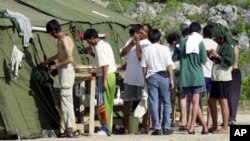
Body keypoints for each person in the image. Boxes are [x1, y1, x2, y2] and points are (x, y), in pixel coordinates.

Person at [43, 19, 78, 138]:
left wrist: (54, 66)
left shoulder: (64, 40)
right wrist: (48, 60)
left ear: (54, 30)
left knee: (67, 101)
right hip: (64, 72)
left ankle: (72, 128)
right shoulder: (62, 41)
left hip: (66, 72)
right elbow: (60, 54)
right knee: (65, 101)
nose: (51, 35)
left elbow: (69, 59)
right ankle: (64, 129)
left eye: (50, 33)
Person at [172, 22, 208, 134]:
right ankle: (191, 126)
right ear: (198, 31)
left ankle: (205, 128)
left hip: (185, 76)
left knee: (193, 101)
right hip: (197, 76)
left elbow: (174, 58)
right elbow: (204, 60)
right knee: (195, 102)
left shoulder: (181, 42)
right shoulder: (200, 42)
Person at [84, 28, 117, 136]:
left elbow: (105, 65)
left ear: (92, 38)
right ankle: (107, 127)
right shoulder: (105, 45)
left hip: (105, 76)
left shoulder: (99, 47)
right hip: (111, 75)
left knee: (102, 103)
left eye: (88, 40)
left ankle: (105, 128)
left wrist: (103, 81)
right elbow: (102, 61)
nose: (88, 42)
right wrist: (91, 54)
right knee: (108, 103)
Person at [141, 28, 174, 135]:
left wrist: (145, 77)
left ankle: (157, 127)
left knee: (154, 102)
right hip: (164, 76)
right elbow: (169, 65)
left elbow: (144, 67)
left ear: (149, 38)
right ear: (160, 37)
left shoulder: (146, 50)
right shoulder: (165, 49)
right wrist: (171, 79)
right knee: (167, 102)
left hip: (152, 76)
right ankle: (167, 127)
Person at [120, 24, 151, 134]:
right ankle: (127, 127)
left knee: (143, 102)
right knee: (127, 101)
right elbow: (122, 54)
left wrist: (137, 42)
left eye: (145, 31)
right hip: (130, 77)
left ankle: (144, 126)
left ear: (148, 34)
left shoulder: (147, 44)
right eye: (141, 29)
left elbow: (140, 57)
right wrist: (132, 43)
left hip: (141, 78)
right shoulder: (131, 40)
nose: (142, 32)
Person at [208, 25, 235, 134]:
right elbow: (219, 59)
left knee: (223, 101)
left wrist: (217, 55)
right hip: (216, 77)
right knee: (211, 100)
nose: (215, 39)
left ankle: (225, 127)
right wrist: (212, 56)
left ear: (222, 37)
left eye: (217, 37)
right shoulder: (220, 45)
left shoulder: (228, 46)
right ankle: (215, 125)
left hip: (223, 77)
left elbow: (228, 61)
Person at [202, 24, 218, 128]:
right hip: (212, 73)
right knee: (211, 100)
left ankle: (195, 121)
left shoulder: (200, 43)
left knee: (196, 99)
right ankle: (209, 122)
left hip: (201, 73)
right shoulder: (215, 44)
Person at [228, 43, 241, 125]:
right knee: (227, 96)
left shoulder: (234, 45)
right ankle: (229, 118)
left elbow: (235, 61)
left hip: (234, 71)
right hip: (228, 71)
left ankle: (232, 118)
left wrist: (231, 68)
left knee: (233, 96)